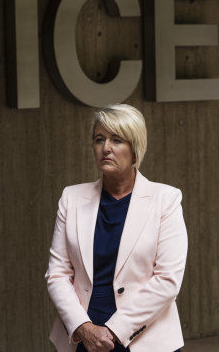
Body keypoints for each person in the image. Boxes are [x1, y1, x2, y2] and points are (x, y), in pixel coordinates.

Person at [45, 104, 188, 352]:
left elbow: (167, 280)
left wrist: (113, 330)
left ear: (135, 149)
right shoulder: (71, 198)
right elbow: (57, 274)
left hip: (146, 336)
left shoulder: (166, 199)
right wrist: (83, 327)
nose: (106, 148)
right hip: (84, 336)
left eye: (117, 140)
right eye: (99, 139)